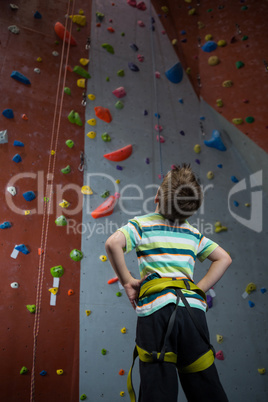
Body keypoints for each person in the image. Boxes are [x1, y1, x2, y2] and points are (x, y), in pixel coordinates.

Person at [105, 164, 232, 402]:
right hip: (192, 314)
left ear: (157, 197)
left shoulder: (142, 225)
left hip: (157, 312)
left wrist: (129, 282)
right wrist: (196, 290)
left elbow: (113, 243)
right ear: (189, 212)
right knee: (206, 387)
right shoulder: (194, 234)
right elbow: (224, 258)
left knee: (158, 388)